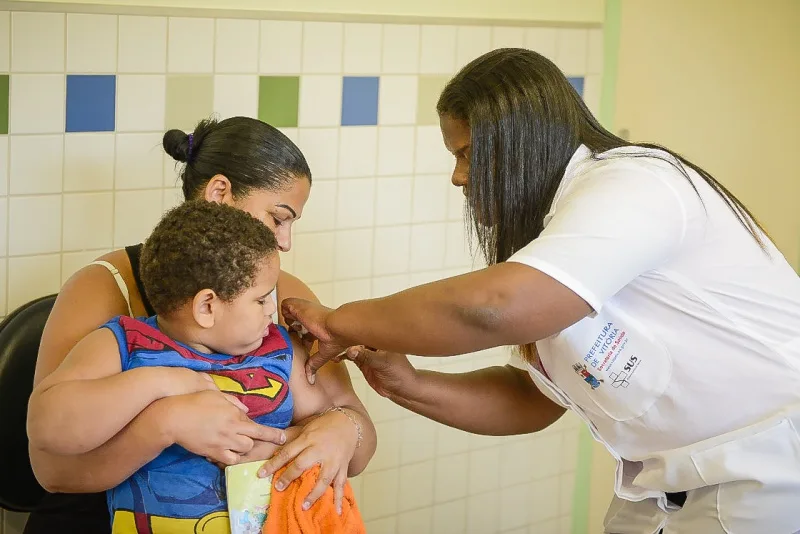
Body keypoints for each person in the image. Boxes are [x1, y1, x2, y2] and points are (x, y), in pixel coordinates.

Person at [281, 48, 800, 534]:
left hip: (765, 475)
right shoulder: (558, 237)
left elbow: (495, 308)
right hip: (661, 490)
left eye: (465, 154)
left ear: (518, 143)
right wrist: (407, 383)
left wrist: (340, 320)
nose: (459, 179)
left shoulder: (636, 184)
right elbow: (531, 400)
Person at [25, 117, 376, 534]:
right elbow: (52, 468)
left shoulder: (279, 300)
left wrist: (342, 429)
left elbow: (356, 433)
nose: (286, 242)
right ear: (219, 193)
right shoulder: (107, 291)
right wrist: (164, 423)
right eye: (278, 217)